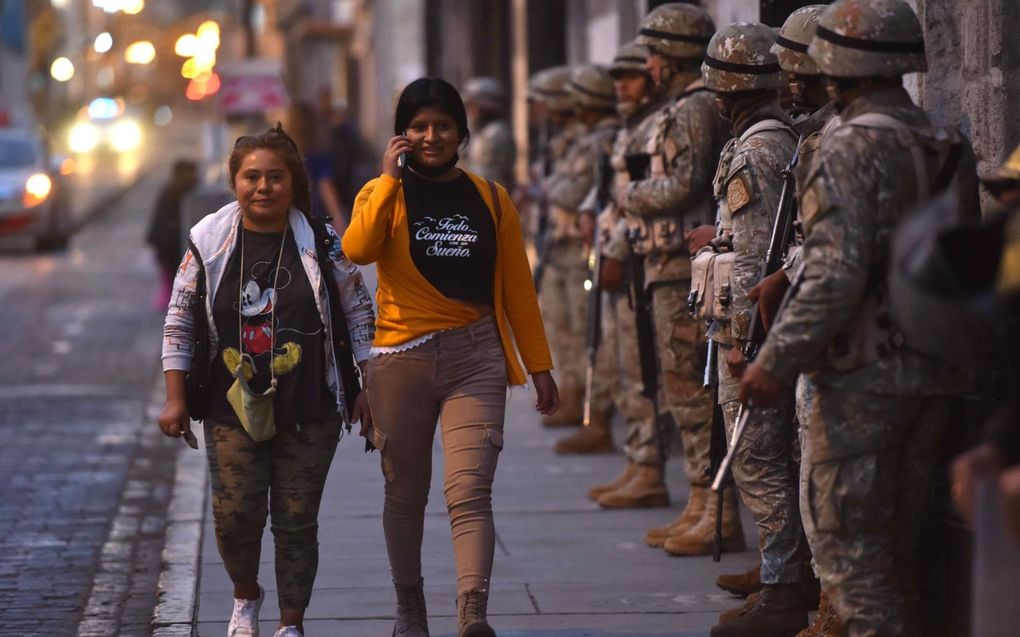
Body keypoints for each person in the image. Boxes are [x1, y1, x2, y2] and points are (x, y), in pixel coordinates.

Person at [739, 1, 980, 634]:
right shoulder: (946, 140)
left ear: (836, 63)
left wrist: (776, 359)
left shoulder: (848, 144)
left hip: (863, 372)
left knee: (849, 552)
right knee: (897, 542)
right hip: (936, 366)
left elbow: (832, 271)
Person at [342, 77, 558, 637]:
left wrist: (539, 367)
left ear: (462, 132)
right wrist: (389, 181)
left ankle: (472, 615)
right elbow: (357, 249)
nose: (430, 136)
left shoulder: (491, 197)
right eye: (418, 127)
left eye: (442, 126)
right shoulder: (379, 193)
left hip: (476, 356)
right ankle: (410, 611)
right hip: (400, 363)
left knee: (469, 489)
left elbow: (517, 290)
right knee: (405, 491)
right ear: (402, 135)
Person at [158, 124, 376, 637]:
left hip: (311, 407)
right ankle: (245, 595)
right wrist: (173, 398)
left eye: (274, 177)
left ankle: (291, 624)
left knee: (296, 522)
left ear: (291, 181)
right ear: (234, 181)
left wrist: (369, 386)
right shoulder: (209, 240)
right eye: (251, 176)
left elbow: (360, 315)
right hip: (230, 406)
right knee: (235, 516)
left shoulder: (320, 240)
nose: (263, 187)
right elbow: (180, 317)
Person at [695, 21, 806, 637]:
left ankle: (783, 588)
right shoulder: (765, 139)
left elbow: (755, 259)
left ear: (725, 89)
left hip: (753, 332)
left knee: (758, 457)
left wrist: (742, 341)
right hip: (754, 327)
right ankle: (778, 569)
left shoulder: (759, 147)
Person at [622, 3, 735, 554]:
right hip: (667, 265)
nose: (649, 65)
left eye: (654, 53)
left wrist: (629, 195)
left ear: (674, 56)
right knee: (681, 385)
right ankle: (700, 501)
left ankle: (715, 506)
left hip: (685, 266)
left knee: (692, 388)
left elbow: (685, 184)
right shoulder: (680, 107)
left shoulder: (692, 109)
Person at [583, 42, 672, 504]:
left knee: (642, 372)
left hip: (641, 258)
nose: (621, 84)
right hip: (622, 251)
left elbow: (647, 194)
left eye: (632, 75)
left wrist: (616, 249)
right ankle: (640, 461)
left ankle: (651, 468)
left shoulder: (660, 123)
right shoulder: (630, 127)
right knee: (624, 365)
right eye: (617, 76)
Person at [543, 63, 620, 449]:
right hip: (568, 247)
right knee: (571, 330)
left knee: (591, 335)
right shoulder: (580, 139)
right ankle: (578, 400)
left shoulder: (601, 140)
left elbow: (572, 192)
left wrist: (550, 188)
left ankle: (598, 415)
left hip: (587, 250)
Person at [287, 101, 347, 235]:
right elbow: (326, 188)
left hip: (289, 213)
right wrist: (338, 220)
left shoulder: (284, 154)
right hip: (313, 213)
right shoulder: (318, 153)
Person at [146, 159, 198, 309]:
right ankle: (168, 305)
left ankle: (166, 304)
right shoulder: (176, 192)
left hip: (163, 244)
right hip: (168, 245)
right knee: (172, 278)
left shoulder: (170, 190)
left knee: (168, 280)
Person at [462, 77, 516, 189]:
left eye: (472, 105)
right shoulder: (479, 132)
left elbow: (490, 175)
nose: (469, 110)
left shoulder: (495, 134)